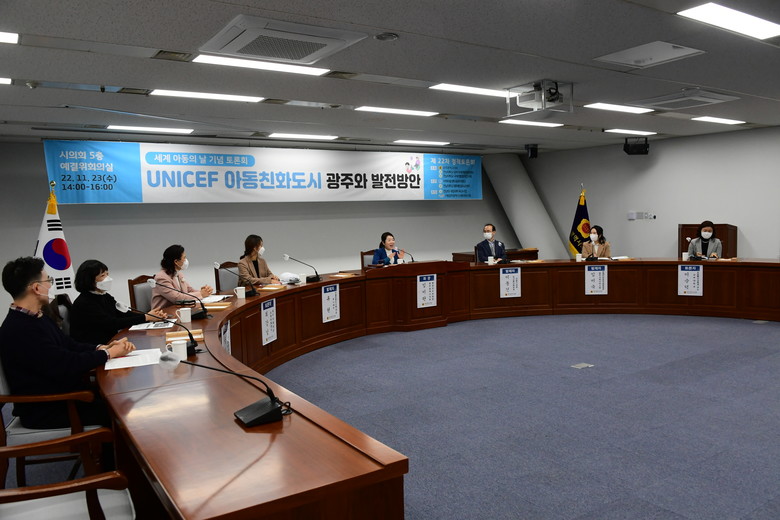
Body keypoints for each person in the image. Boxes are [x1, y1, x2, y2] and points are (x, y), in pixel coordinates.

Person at [0, 257, 135, 428]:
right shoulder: (20, 329)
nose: (51, 286)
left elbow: (69, 345)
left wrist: (102, 347)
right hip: (50, 407)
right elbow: (65, 363)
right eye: (48, 281)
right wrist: (108, 354)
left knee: (123, 397)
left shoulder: (37, 317)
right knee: (123, 411)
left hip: (63, 394)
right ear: (36, 288)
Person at [70, 259, 167, 345]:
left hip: (110, 341)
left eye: (107, 274)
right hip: (94, 347)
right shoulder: (84, 303)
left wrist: (150, 316)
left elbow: (123, 314)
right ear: (89, 280)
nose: (107, 278)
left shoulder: (103, 295)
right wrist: (145, 317)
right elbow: (111, 323)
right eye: (102, 275)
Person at [152, 245, 213, 309]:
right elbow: (177, 298)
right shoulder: (161, 278)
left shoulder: (178, 274)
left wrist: (204, 291)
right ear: (176, 262)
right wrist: (201, 294)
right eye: (184, 258)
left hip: (179, 309)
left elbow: (189, 290)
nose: (186, 260)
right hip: (164, 312)